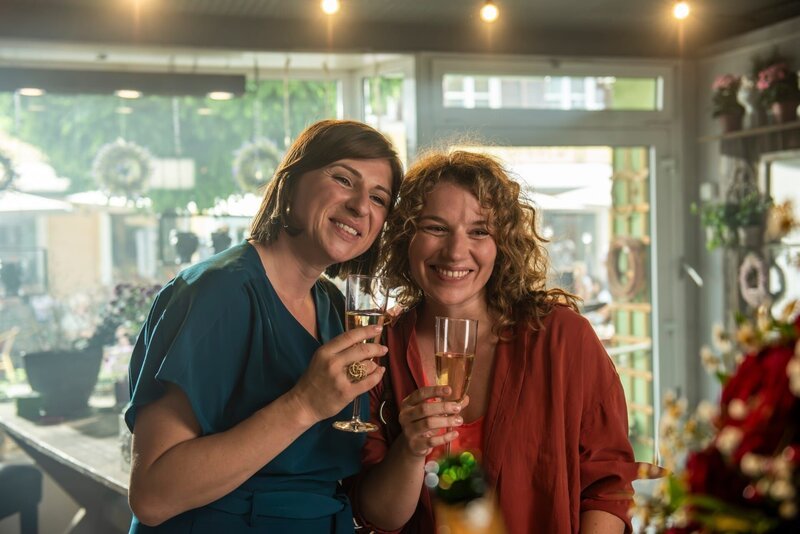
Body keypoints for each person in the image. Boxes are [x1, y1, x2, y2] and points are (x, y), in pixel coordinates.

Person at [125, 119, 404, 533]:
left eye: (379, 198)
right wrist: (303, 404)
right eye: (344, 179)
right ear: (290, 186)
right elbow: (152, 496)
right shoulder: (217, 293)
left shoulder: (333, 306)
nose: (361, 206)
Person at [352, 150, 638, 533]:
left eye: (479, 231)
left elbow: (608, 487)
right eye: (435, 227)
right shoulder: (378, 350)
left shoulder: (562, 338)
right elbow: (380, 516)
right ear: (406, 236)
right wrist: (411, 447)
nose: (455, 251)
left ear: (502, 243)